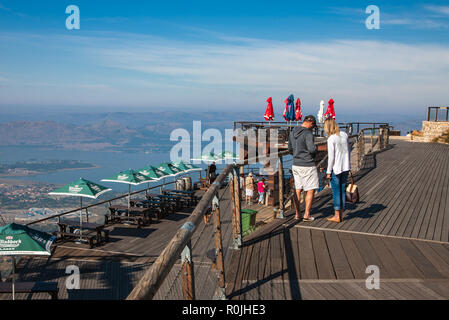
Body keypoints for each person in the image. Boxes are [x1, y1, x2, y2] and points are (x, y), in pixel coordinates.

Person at [288, 115, 319, 221]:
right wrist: (316, 149)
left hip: (296, 164)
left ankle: (297, 214)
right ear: (310, 123)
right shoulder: (308, 133)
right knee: (310, 189)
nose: (313, 128)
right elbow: (311, 149)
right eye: (313, 125)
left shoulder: (292, 132)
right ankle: (306, 214)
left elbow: (290, 148)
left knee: (298, 189)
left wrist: (297, 154)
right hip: (308, 164)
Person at [325, 118, 351, 223]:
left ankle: (336, 215)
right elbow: (348, 151)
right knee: (342, 189)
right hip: (345, 166)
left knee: (336, 191)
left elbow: (331, 157)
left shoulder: (331, 139)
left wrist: (328, 171)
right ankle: (341, 213)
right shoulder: (344, 135)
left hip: (336, 168)